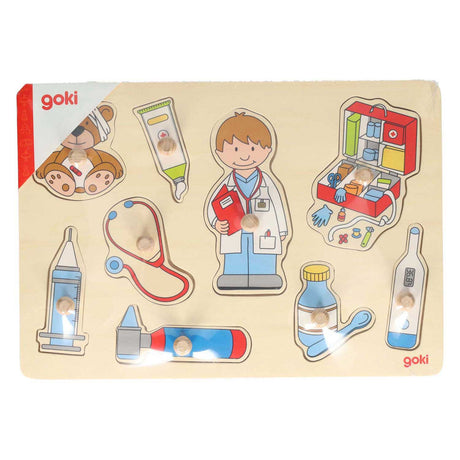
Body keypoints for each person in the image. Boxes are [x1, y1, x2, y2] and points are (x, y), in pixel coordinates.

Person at [207, 111, 289, 290]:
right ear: (219, 153)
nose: (244, 156)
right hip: (235, 231)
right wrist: (216, 223)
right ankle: (233, 277)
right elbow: (212, 206)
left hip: (264, 229)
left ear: (267, 150)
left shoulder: (267, 182)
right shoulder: (226, 184)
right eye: (235, 150)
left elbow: (278, 206)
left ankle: (266, 276)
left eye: (252, 149)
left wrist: (282, 229)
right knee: (236, 255)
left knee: (263, 253)